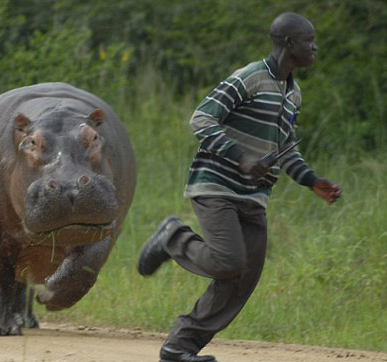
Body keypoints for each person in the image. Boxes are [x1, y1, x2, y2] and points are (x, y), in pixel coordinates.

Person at [137, 12, 342, 362]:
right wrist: (241, 158)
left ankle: (179, 347)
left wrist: (311, 181)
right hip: (216, 185)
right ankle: (172, 236)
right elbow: (201, 117)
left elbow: (284, 149)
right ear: (289, 43)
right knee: (228, 260)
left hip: (253, 197)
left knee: (243, 277)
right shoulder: (249, 77)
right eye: (310, 40)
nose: (315, 47)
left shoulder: (293, 94)